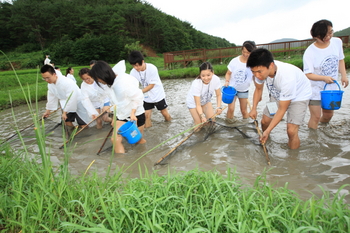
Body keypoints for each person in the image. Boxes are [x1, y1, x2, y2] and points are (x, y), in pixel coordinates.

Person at [247, 48, 312, 149]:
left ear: (271, 65)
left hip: (299, 96)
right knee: (264, 122)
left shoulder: (287, 77)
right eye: (253, 72)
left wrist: (268, 131)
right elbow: (258, 90)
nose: (257, 75)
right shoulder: (258, 74)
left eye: (259, 72)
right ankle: (266, 142)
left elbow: (282, 109)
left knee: (291, 131)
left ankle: (293, 159)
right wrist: (254, 108)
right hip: (277, 93)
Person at [89, 60, 146, 154]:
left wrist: (132, 113)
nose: (98, 81)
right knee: (115, 140)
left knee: (138, 140)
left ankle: (144, 156)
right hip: (122, 114)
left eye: (97, 79)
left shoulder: (123, 82)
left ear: (102, 75)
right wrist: (114, 117)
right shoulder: (110, 83)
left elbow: (138, 97)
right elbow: (114, 100)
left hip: (135, 115)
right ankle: (121, 163)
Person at [303, 19, 349, 129]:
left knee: (329, 115)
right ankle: (313, 140)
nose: (328, 37)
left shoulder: (337, 42)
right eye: (324, 35)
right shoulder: (310, 52)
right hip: (315, 89)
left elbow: (340, 59)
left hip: (330, 88)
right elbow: (308, 74)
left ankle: (323, 131)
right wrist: (323, 78)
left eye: (330, 32)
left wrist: (344, 75)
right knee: (316, 117)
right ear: (316, 36)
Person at [41, 65, 99, 136]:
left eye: (48, 78)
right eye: (44, 78)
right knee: (67, 122)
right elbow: (51, 98)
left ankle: (87, 135)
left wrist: (65, 112)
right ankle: (75, 135)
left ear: (54, 74)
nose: (46, 80)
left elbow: (72, 98)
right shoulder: (50, 85)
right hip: (66, 104)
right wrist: (48, 111)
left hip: (78, 102)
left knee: (83, 123)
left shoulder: (67, 82)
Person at [128, 50, 171, 128]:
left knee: (164, 113)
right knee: (146, 115)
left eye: (137, 65)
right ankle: (149, 133)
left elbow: (151, 85)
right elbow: (132, 86)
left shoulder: (152, 68)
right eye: (133, 66)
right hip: (146, 96)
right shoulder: (133, 72)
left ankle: (170, 124)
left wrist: (139, 92)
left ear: (142, 61)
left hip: (158, 94)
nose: (136, 68)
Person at [224, 41, 256, 123]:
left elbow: (255, 77)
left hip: (244, 90)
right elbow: (228, 73)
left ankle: (246, 126)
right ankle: (229, 125)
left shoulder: (253, 63)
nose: (245, 54)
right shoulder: (234, 61)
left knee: (244, 111)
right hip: (232, 89)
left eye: (248, 52)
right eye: (244, 51)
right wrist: (227, 81)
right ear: (241, 50)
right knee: (231, 109)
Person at [186, 62, 223, 129]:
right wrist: (202, 116)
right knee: (199, 125)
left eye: (208, 75)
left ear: (213, 73)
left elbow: (218, 95)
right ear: (200, 75)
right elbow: (198, 104)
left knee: (212, 122)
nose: (206, 78)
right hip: (193, 103)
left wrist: (219, 107)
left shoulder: (216, 79)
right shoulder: (196, 84)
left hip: (206, 100)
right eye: (203, 76)